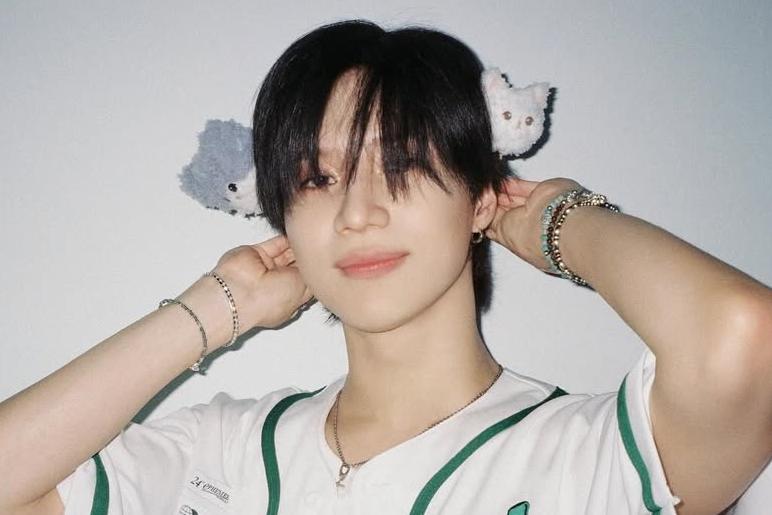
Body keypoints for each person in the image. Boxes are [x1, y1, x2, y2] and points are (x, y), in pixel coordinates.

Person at [1, 19, 770, 515]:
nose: (357, 211)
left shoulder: (586, 456)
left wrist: (559, 221)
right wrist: (218, 306)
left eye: (402, 163)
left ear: (480, 198)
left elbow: (745, 337)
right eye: (317, 178)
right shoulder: (225, 452)